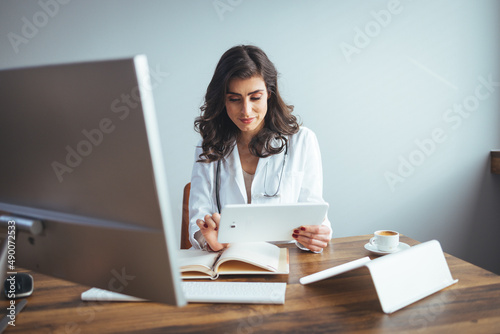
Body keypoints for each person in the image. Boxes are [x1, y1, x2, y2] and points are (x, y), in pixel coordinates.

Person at [189, 45, 331, 253]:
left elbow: (315, 214)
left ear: (269, 94)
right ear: (222, 100)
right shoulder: (209, 145)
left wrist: (316, 235)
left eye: (255, 97)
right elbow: (198, 218)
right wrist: (208, 238)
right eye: (234, 99)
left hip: (282, 261)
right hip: (227, 262)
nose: (246, 110)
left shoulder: (303, 141)